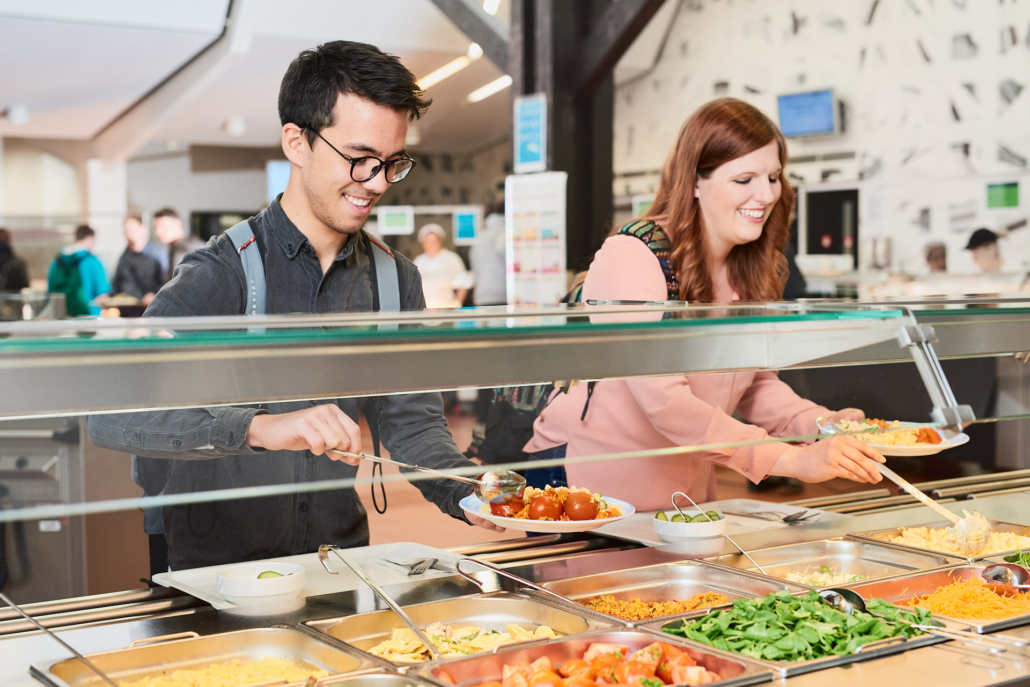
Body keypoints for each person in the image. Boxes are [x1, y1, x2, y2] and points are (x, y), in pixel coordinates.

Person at [86, 40, 500, 572]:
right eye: (358, 160)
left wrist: (474, 494)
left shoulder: (396, 280)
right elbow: (111, 411)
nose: (375, 184)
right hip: (220, 576)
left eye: (391, 164)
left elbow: (412, 426)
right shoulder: (221, 272)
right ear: (297, 142)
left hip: (337, 564)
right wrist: (258, 426)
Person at [523, 98, 886, 510]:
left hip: (683, 481)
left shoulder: (750, 266)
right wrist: (793, 460)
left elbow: (756, 385)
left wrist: (824, 425)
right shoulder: (633, 253)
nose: (766, 194)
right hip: (588, 482)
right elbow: (666, 403)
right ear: (695, 181)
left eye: (773, 177)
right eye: (744, 179)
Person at [48, 225, 110, 316]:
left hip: (62, 317)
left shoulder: (57, 261)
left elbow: (50, 290)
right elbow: (103, 294)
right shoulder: (93, 261)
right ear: (90, 238)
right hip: (89, 318)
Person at [413, 223, 473, 307]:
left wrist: (457, 302)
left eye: (433, 241)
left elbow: (464, 283)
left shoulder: (452, 258)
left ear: (440, 241)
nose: (431, 244)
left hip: (446, 307)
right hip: (425, 309)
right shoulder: (419, 261)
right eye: (427, 241)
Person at [110, 215, 165, 305]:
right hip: (127, 310)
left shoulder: (158, 254)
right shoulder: (123, 258)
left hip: (151, 309)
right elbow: (116, 284)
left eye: (133, 229)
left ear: (143, 229)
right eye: (126, 231)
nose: (130, 234)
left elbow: (166, 282)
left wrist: (154, 294)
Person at [471, 197, 507, 307]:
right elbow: (504, 251)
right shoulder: (505, 232)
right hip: (501, 296)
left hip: (481, 296)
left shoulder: (481, 236)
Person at [153, 208, 205, 281]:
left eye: (162, 226)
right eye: (155, 228)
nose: (157, 232)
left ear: (178, 223)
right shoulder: (174, 248)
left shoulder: (189, 249)